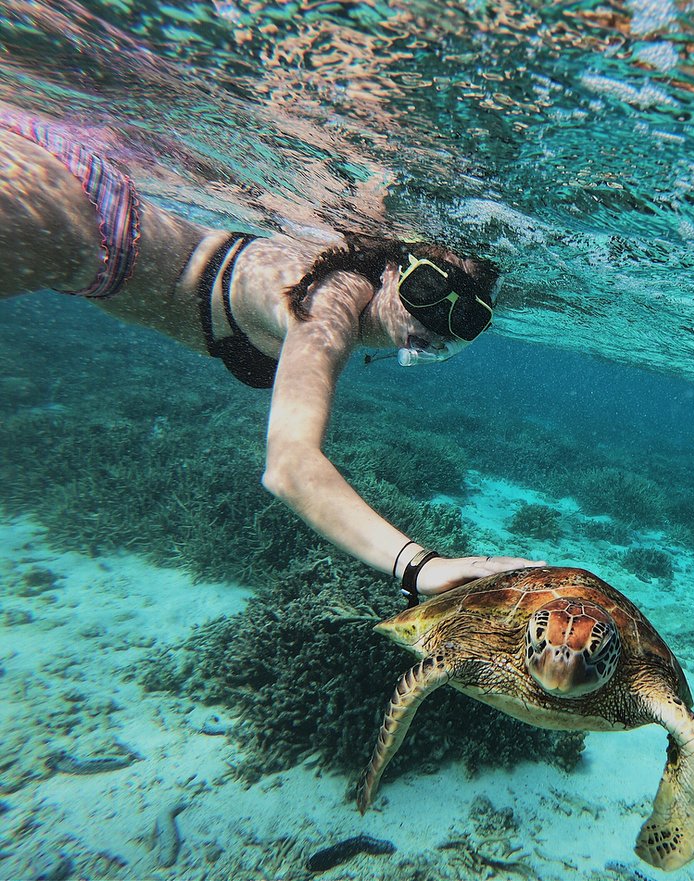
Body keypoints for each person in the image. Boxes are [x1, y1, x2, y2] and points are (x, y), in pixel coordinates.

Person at [0, 109, 544, 599]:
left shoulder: (348, 280)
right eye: (424, 292)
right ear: (397, 267)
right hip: (79, 227)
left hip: (80, 200)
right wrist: (418, 567)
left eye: (466, 319)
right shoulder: (334, 303)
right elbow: (289, 466)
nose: (432, 323)